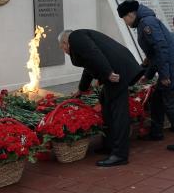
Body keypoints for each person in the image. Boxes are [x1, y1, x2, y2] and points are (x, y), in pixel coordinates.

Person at [59, 29, 144, 167]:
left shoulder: (75, 37)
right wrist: (82, 89)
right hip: (115, 70)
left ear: (64, 42)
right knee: (106, 101)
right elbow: (89, 66)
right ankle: (109, 145)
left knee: (119, 113)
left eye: (61, 47)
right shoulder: (80, 42)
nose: (63, 51)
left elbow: (94, 54)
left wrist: (108, 72)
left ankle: (120, 154)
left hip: (117, 72)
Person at [117, 0, 174, 152]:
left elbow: (160, 49)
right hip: (170, 66)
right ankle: (157, 132)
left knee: (170, 104)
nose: (125, 23)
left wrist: (165, 75)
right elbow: (153, 55)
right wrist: (147, 75)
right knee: (158, 98)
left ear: (131, 14)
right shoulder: (144, 22)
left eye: (124, 19)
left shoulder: (147, 23)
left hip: (171, 68)